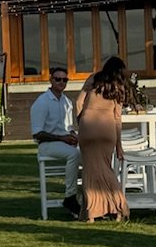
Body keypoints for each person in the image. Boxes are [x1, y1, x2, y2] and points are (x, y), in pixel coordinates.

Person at [75, 63, 131, 222]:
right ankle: (118, 207)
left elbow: (79, 103)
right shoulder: (119, 87)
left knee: (90, 171)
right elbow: (117, 118)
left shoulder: (93, 79)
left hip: (88, 126)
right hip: (107, 129)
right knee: (106, 168)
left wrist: (82, 122)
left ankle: (91, 213)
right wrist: (118, 146)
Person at [30, 65, 80, 212]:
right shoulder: (42, 102)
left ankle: (87, 197)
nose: (61, 82)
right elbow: (37, 134)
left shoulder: (67, 102)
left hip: (63, 143)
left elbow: (69, 127)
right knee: (74, 154)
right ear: (51, 80)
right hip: (47, 145)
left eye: (65, 80)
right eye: (58, 79)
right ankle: (70, 197)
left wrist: (72, 135)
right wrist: (62, 138)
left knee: (90, 154)